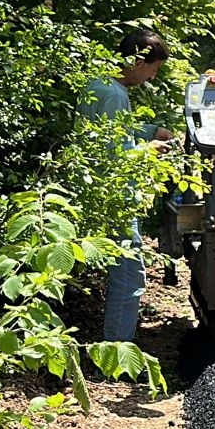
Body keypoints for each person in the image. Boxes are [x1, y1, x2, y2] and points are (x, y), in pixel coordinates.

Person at [82, 27, 172, 343]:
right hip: (116, 197)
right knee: (129, 276)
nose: (152, 77)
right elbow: (114, 155)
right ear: (138, 62)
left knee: (123, 273)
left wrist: (150, 130)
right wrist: (150, 149)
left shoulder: (100, 85)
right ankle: (117, 351)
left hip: (100, 193)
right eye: (153, 69)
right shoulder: (115, 94)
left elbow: (112, 132)